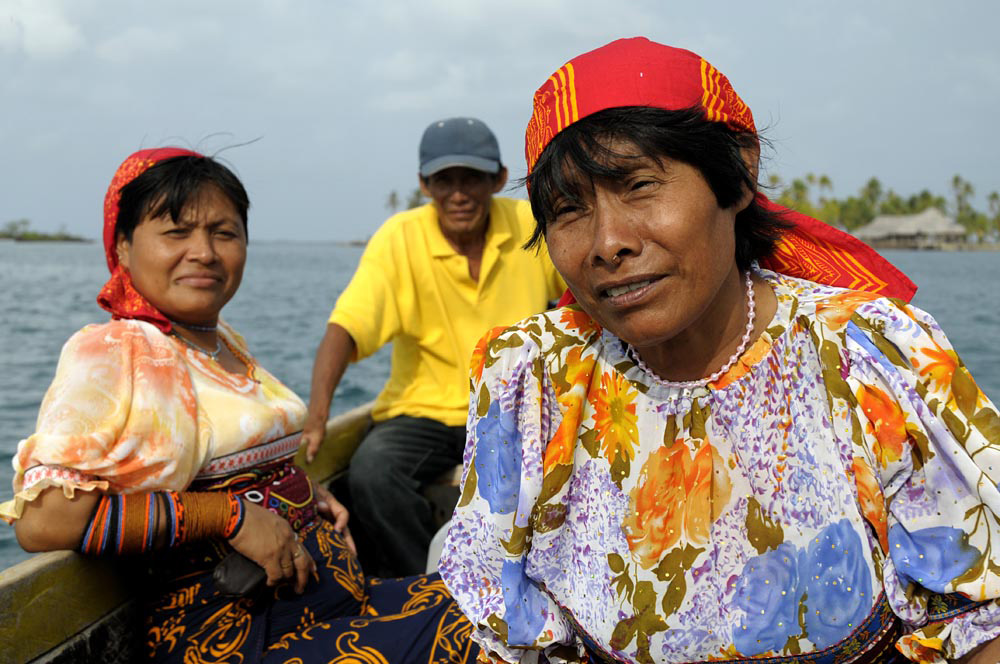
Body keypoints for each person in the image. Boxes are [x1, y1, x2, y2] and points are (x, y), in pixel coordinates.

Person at [439, 37, 1000, 664]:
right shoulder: (532, 379)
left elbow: (982, 619)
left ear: (736, 176)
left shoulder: (871, 355)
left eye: (639, 185)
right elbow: (507, 633)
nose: (608, 242)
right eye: (569, 209)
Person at [1, 148, 478, 664]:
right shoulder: (120, 351)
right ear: (122, 245)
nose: (203, 251)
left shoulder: (219, 341)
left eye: (223, 233)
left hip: (327, 607)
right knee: (486, 631)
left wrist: (301, 490)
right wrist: (230, 516)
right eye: (176, 232)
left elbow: (220, 453)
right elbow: (45, 522)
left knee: (503, 595)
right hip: (237, 638)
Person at [303, 117, 565, 576]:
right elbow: (345, 328)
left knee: (572, 469)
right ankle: (429, 591)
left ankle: (538, 585)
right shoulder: (400, 238)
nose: (459, 194)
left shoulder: (528, 223)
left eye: (473, 179)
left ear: (499, 179)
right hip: (424, 411)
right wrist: (317, 415)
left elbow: (582, 291)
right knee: (372, 473)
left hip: (518, 408)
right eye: (445, 180)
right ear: (425, 184)